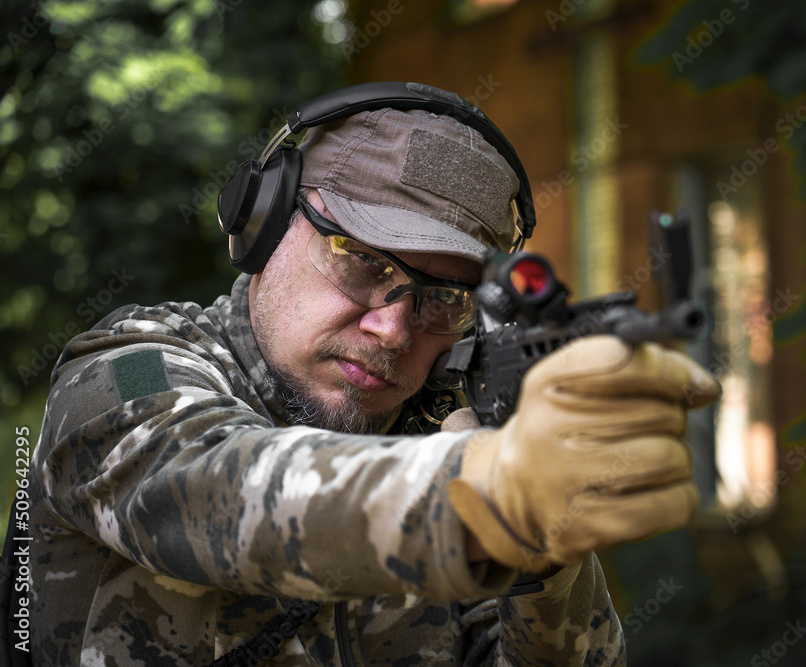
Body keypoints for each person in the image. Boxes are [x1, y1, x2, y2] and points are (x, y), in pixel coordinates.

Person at [21, 83, 720, 665]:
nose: (393, 328)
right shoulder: (130, 370)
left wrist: (544, 555)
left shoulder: (456, 434)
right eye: (363, 260)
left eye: (443, 298)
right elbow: (215, 485)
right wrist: (484, 494)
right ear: (263, 226)